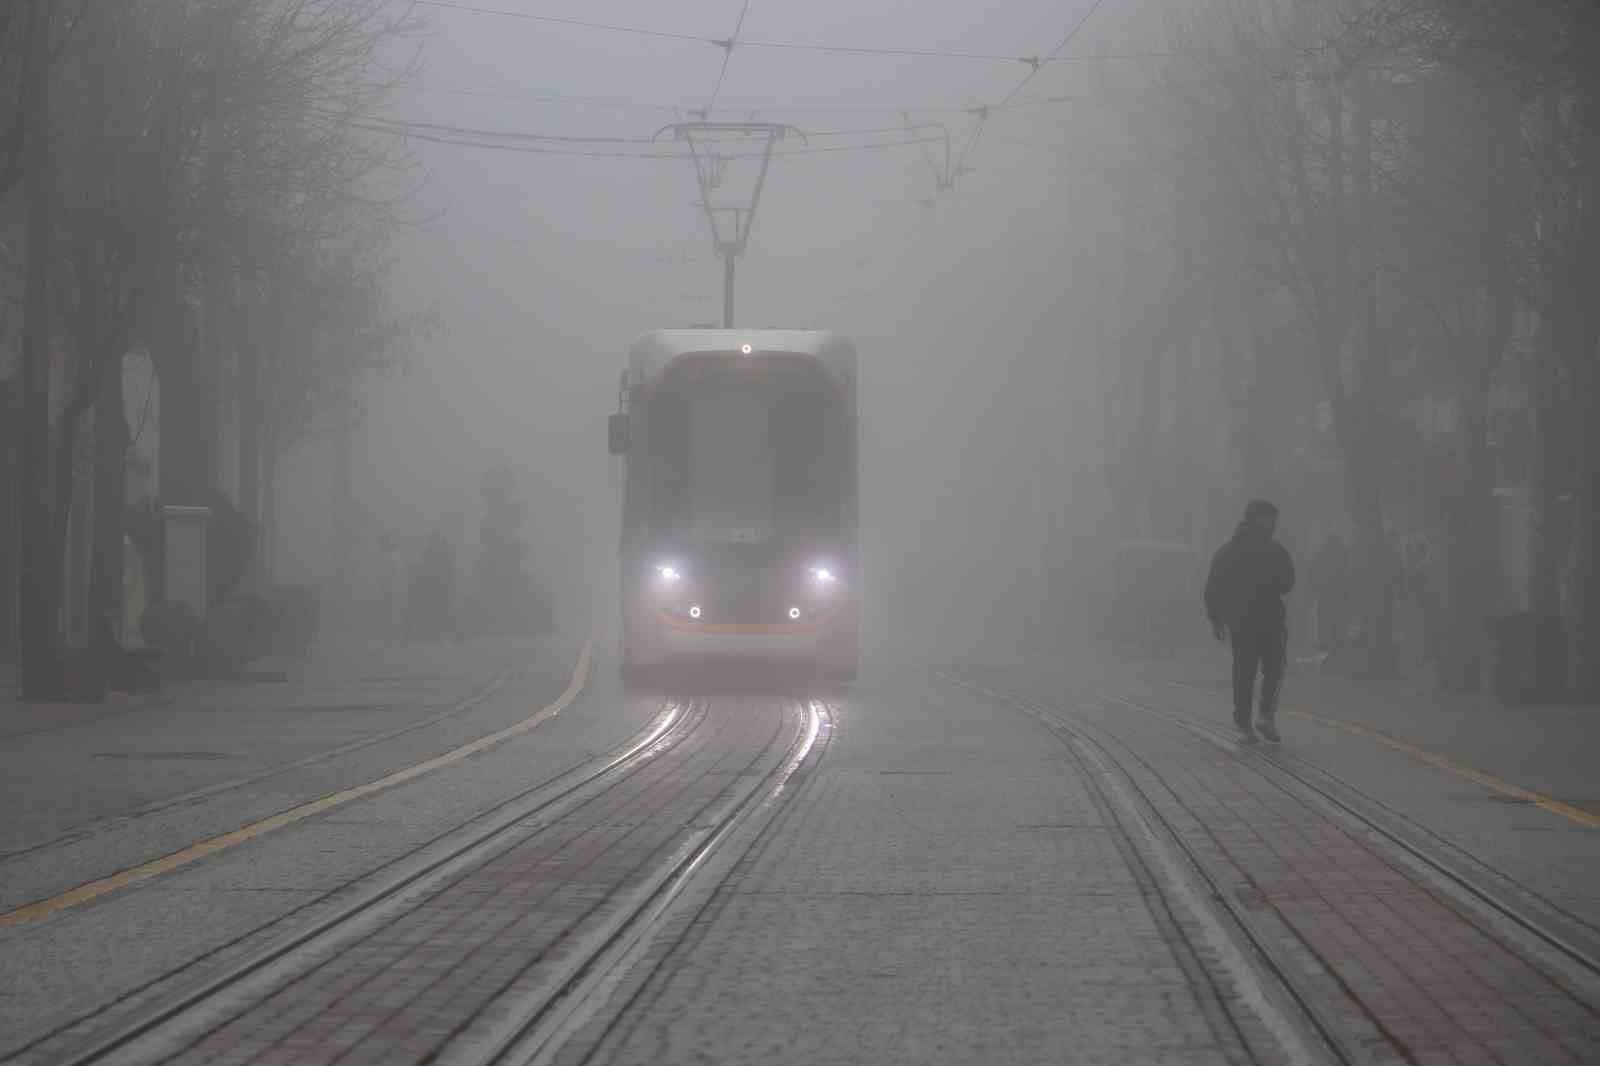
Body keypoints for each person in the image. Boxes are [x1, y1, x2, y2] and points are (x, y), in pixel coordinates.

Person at [1205, 500, 1296, 743]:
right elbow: (1287, 583)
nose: (1273, 524)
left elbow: (1213, 587)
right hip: (1261, 619)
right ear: (1256, 518)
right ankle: (1260, 717)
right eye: (1269, 519)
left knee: (1250, 670)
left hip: (1250, 620)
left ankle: (1249, 721)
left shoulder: (1230, 551)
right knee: (1269, 668)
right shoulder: (1271, 550)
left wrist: (1216, 618)